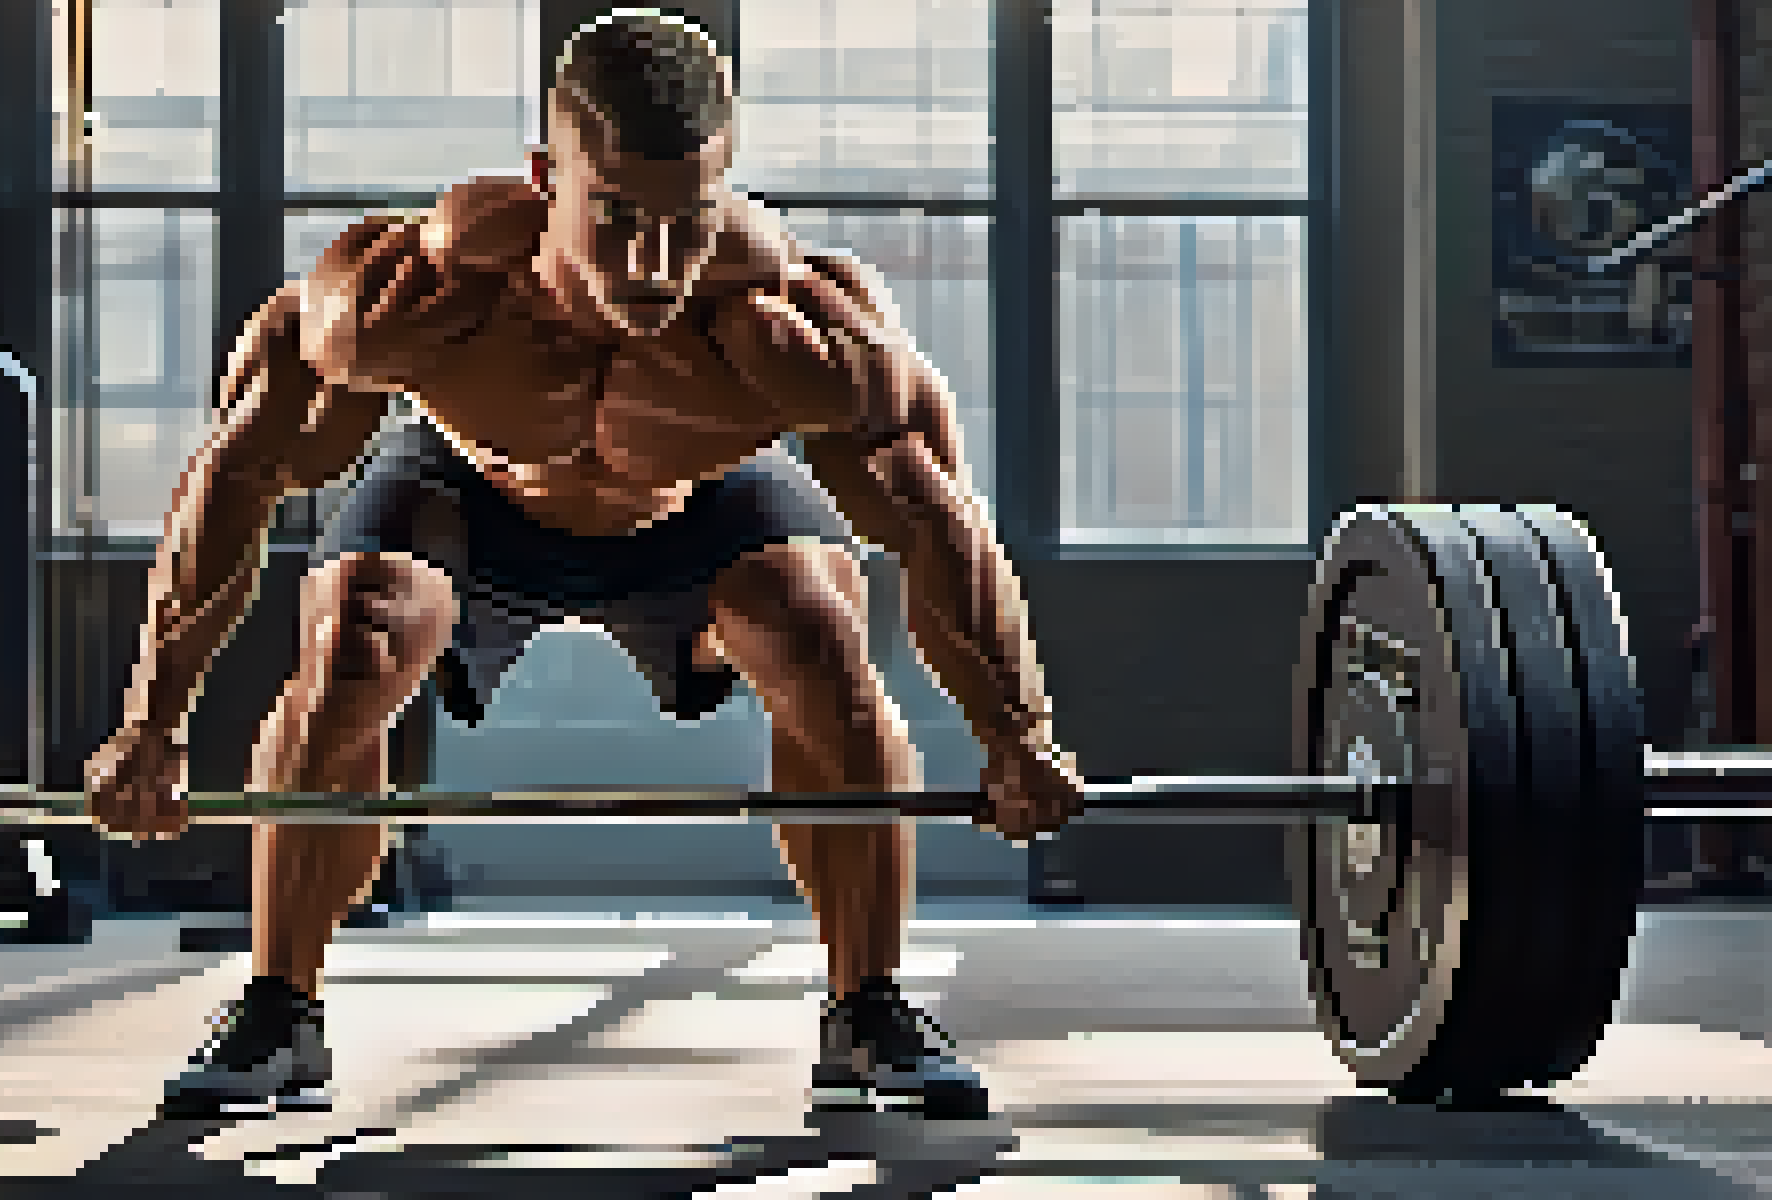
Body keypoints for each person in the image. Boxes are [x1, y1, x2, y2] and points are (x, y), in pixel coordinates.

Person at [85, 9, 1085, 1121]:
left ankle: (870, 1007)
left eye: (688, 223)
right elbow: (238, 473)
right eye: (615, 216)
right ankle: (280, 1006)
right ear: (544, 179)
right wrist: (151, 727)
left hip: (699, 498)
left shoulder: (795, 329)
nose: (655, 266)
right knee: (354, 637)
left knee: (817, 631)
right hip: (470, 485)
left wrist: (1017, 736)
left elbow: (938, 523)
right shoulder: (412, 301)